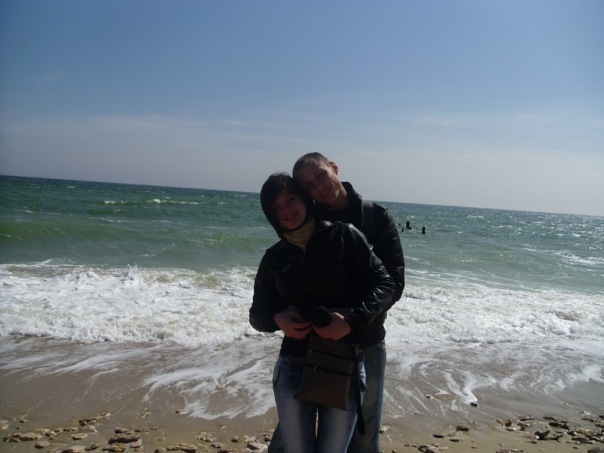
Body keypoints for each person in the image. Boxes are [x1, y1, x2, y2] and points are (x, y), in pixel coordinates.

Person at [268, 153, 405, 453]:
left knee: (363, 435)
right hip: (315, 347)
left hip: (366, 343)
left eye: (320, 175)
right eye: (308, 185)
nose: (319, 186)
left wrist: (354, 319)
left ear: (334, 168)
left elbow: (393, 284)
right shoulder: (308, 220)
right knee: (290, 435)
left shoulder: (374, 217)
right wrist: (280, 315)